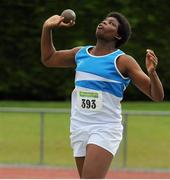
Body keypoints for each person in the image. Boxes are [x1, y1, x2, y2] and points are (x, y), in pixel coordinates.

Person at [41, 11, 164, 179]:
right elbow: (49, 59)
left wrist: (152, 73)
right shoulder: (81, 54)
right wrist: (47, 29)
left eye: (111, 24)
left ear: (118, 36)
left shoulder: (122, 61)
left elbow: (156, 95)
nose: (104, 23)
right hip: (78, 126)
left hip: (105, 127)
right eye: (104, 21)